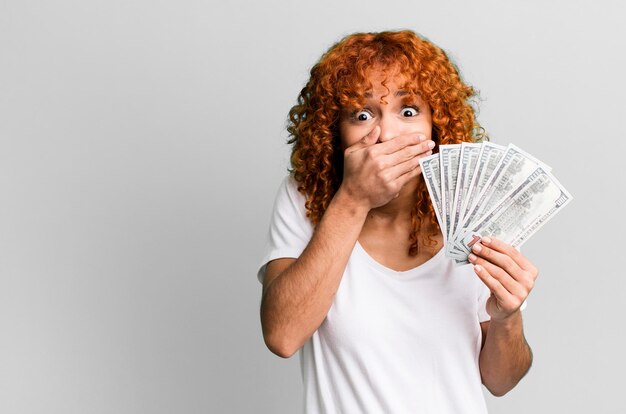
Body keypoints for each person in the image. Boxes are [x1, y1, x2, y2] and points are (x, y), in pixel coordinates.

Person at [256, 30, 537, 413]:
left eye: (408, 111)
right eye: (362, 114)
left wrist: (507, 317)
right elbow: (283, 336)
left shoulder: (474, 208)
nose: (386, 134)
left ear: (436, 125)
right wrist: (353, 199)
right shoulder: (307, 197)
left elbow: (501, 381)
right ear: (335, 133)